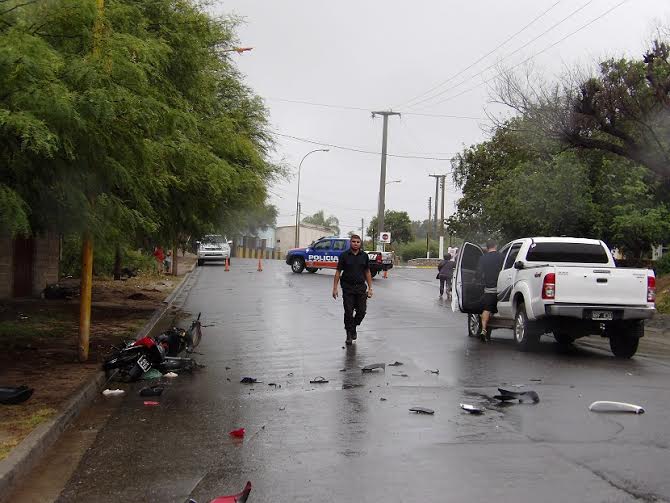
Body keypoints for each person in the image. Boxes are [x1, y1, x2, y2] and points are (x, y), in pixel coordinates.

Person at [332, 234, 373, 345]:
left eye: (358, 242)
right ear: (350, 243)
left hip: (360, 288)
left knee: (361, 311)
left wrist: (370, 288)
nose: (356, 243)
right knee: (348, 312)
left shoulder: (364, 256)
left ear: (360, 243)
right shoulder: (344, 255)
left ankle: (353, 326)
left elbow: (367, 272)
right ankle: (349, 334)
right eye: (353, 241)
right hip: (348, 288)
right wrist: (335, 288)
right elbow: (338, 272)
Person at [477, 239, 504, 342]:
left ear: (487, 247)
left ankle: (484, 329)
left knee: (486, 309)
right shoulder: (502, 256)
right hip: (503, 288)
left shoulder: (483, 258)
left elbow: (479, 272)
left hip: (489, 288)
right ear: (496, 246)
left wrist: (477, 279)